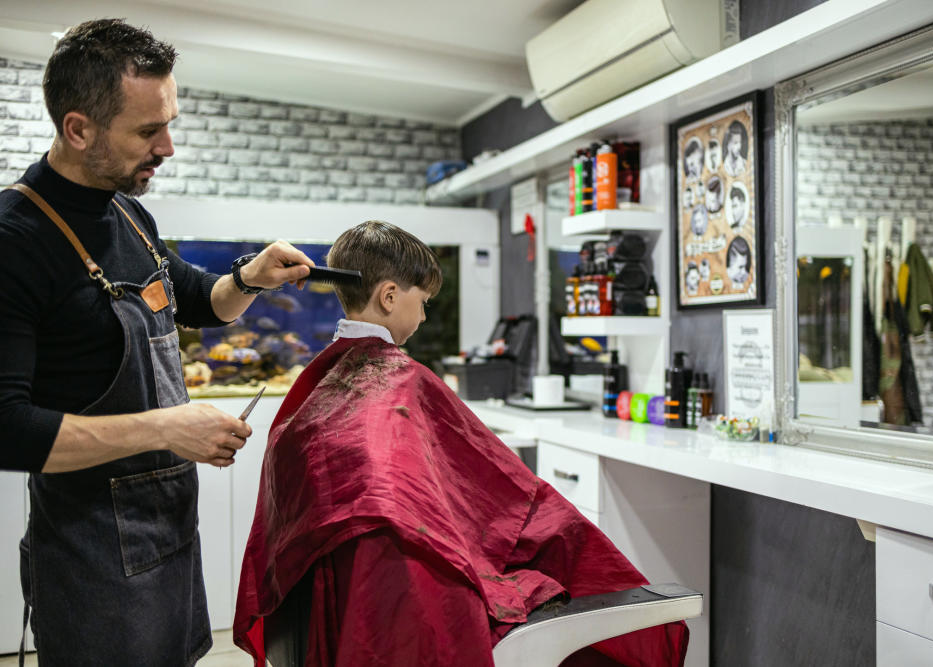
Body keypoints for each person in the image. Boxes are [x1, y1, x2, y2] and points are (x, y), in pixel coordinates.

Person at [0, 19, 315, 665]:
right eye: (148, 130)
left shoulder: (126, 208)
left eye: (169, 121)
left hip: (167, 533)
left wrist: (249, 277)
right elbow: (6, 428)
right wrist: (166, 427)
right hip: (89, 555)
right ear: (79, 127)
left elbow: (197, 298)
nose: (168, 145)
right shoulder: (15, 240)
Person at [234, 220, 689, 667]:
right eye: (424, 301)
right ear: (390, 296)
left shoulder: (321, 387)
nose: (425, 315)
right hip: (398, 593)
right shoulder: (399, 382)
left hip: (335, 605)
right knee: (559, 541)